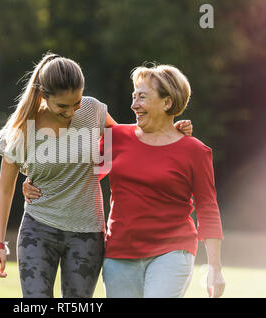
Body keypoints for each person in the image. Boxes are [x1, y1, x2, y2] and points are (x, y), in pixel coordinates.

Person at [0, 52, 192, 298]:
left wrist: (170, 129)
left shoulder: (92, 110)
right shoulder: (22, 129)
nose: (71, 112)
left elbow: (128, 141)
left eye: (76, 103)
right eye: (62, 106)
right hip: (39, 229)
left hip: (86, 233)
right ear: (44, 96)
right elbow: (4, 189)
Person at [99, 64, 225, 298]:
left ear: (167, 103)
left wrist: (214, 268)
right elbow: (84, 177)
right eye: (134, 97)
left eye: (143, 97)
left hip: (172, 252)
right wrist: (36, 181)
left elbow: (208, 208)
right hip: (120, 253)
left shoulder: (195, 151)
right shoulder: (114, 138)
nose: (134, 105)